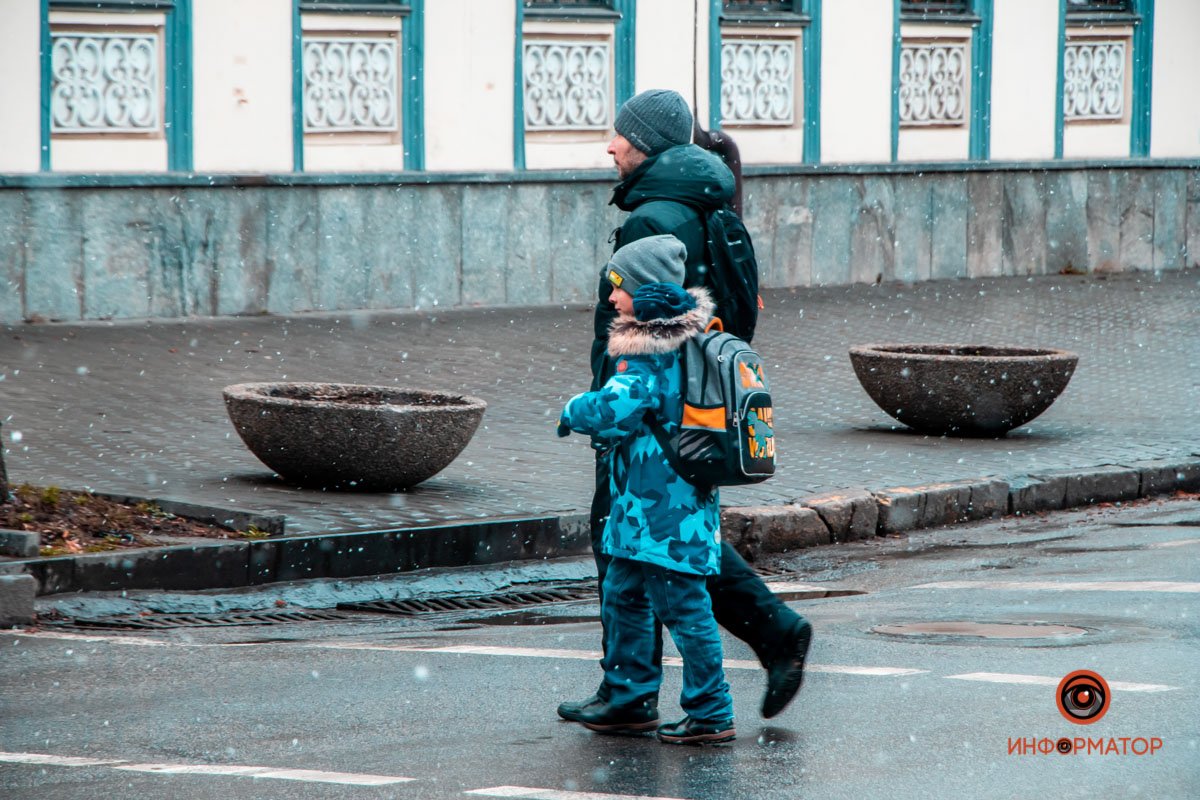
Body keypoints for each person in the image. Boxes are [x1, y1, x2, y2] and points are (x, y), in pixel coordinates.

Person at [557, 88, 813, 724]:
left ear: (644, 142)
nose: (610, 146)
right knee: (671, 545)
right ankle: (761, 636)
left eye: (619, 135)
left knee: (635, 548)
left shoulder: (655, 217)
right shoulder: (701, 198)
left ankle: (638, 691)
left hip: (648, 419)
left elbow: (636, 333)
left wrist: (605, 403)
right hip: (691, 407)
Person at [558, 234, 734, 744]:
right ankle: (628, 699)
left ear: (644, 288)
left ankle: (711, 711)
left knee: (683, 606)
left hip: (663, 509)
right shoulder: (685, 336)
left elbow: (615, 407)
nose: (612, 297)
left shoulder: (651, 344)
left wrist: (573, 410)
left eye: (619, 286)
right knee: (624, 593)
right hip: (652, 503)